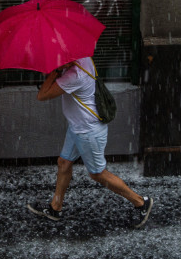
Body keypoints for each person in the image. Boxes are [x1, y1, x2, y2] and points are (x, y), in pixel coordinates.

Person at [26, 56, 153, 228]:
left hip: (87, 131)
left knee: (97, 173)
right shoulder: (84, 58)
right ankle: (55, 207)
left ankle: (140, 202)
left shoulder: (75, 75)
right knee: (64, 162)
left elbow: (42, 95)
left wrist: (56, 70)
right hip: (77, 127)